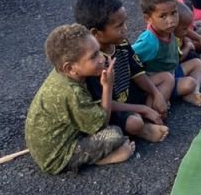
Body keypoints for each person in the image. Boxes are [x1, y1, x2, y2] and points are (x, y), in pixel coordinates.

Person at [25, 24, 135, 174]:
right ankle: (99, 159)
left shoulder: (66, 74)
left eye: (99, 51)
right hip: (56, 157)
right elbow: (102, 124)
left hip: (52, 141)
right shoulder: (71, 92)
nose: (102, 58)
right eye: (93, 56)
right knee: (114, 134)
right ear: (70, 68)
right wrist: (107, 86)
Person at [74, 0, 172, 142]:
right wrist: (143, 109)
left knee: (167, 78)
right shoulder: (93, 64)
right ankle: (144, 127)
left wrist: (156, 94)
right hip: (115, 108)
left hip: (131, 95)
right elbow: (104, 104)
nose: (126, 29)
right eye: (119, 26)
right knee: (134, 123)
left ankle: (151, 114)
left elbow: (137, 72)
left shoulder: (121, 43)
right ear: (96, 33)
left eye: (125, 22)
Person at [132, 0, 201, 106]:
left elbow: (185, 30)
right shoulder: (150, 43)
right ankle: (160, 98)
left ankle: (194, 92)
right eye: (163, 16)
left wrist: (199, 38)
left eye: (174, 13)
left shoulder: (168, 28)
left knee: (197, 63)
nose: (171, 20)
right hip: (159, 81)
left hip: (172, 70)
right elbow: (128, 55)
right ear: (148, 19)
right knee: (189, 83)